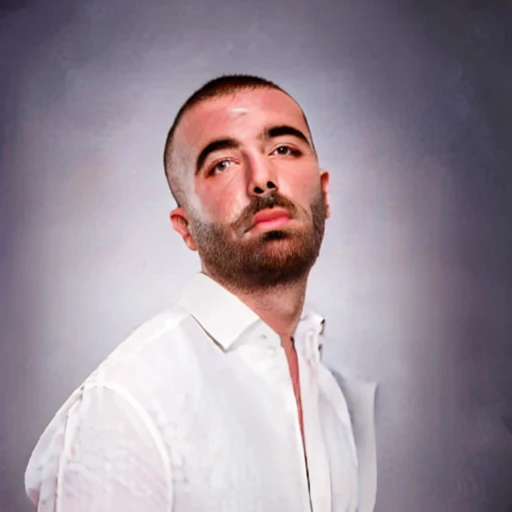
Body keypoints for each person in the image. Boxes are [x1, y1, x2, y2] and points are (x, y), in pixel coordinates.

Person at [25, 75, 378, 512]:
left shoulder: (329, 397)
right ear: (186, 227)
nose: (262, 179)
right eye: (223, 163)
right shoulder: (127, 406)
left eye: (283, 149)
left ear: (323, 193)